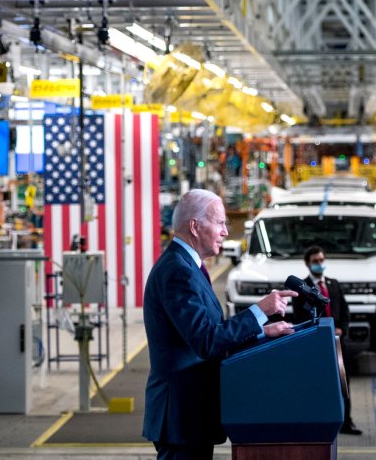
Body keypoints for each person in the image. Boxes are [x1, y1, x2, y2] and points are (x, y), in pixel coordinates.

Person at [143, 189, 296, 460]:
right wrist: (259, 311)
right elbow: (206, 340)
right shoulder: (177, 270)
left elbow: (213, 331)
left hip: (190, 415)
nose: (226, 231)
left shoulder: (187, 266)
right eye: (221, 223)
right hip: (181, 414)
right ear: (195, 226)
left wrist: (261, 331)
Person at [291, 245, 361, 435]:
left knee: (344, 382)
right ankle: (318, 421)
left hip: (338, 342)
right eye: (315, 261)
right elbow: (299, 316)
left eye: (322, 260)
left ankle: (347, 422)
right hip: (316, 344)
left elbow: (345, 311)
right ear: (308, 264)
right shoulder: (301, 289)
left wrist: (342, 329)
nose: (320, 264)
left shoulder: (334, 284)